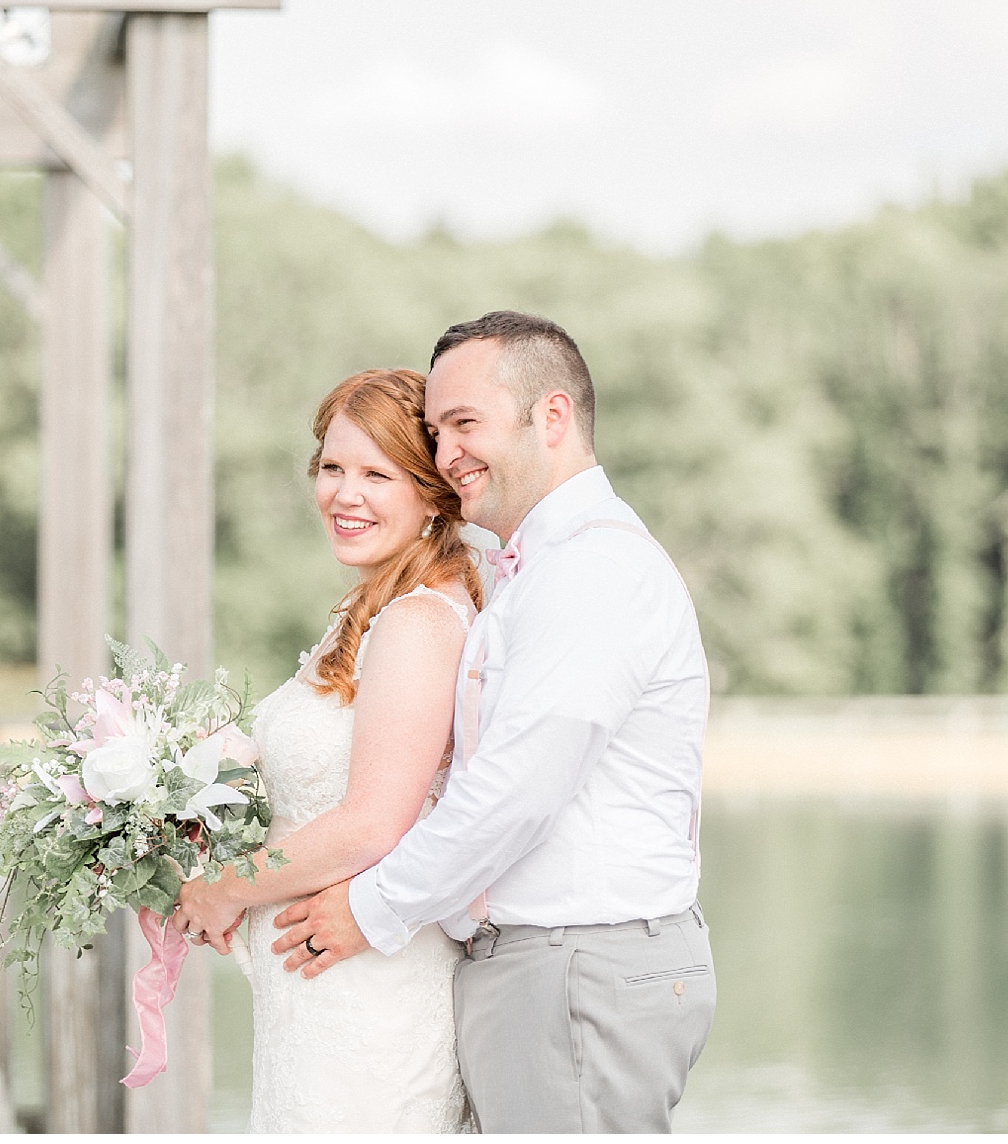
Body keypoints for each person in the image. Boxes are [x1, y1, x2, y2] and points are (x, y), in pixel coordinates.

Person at [268, 311, 716, 1133]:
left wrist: (371, 907)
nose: (446, 456)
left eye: (465, 424)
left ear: (552, 416)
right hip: (547, 968)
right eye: (436, 433)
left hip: (579, 963)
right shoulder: (530, 564)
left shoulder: (591, 570)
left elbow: (516, 792)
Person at [170, 368, 481, 1132]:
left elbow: (375, 822)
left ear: (431, 492)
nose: (346, 494)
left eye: (378, 474)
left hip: (371, 1000)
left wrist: (225, 889)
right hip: (316, 995)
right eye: (333, 467)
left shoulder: (416, 621)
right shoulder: (367, 608)